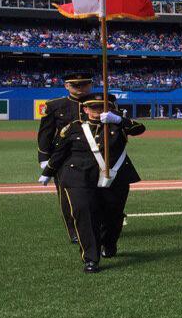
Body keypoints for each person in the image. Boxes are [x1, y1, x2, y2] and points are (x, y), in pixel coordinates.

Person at [37, 93, 146, 273]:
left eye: (102, 107)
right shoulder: (73, 128)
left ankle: (109, 244)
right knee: (84, 214)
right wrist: (48, 171)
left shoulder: (118, 125)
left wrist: (118, 120)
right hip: (79, 176)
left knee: (114, 216)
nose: (98, 111)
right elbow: (60, 152)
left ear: (110, 109)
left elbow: (139, 129)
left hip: (114, 177)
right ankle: (90, 258)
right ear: (85, 109)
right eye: (93, 108)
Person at [36, 71, 92, 244]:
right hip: (64, 157)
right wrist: (44, 158)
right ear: (67, 86)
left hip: (93, 155)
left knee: (96, 194)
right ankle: (74, 230)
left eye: (84, 84)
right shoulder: (55, 105)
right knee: (67, 196)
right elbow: (45, 133)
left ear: (90, 85)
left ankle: (97, 226)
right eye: (75, 85)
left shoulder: (99, 102)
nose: (80, 88)